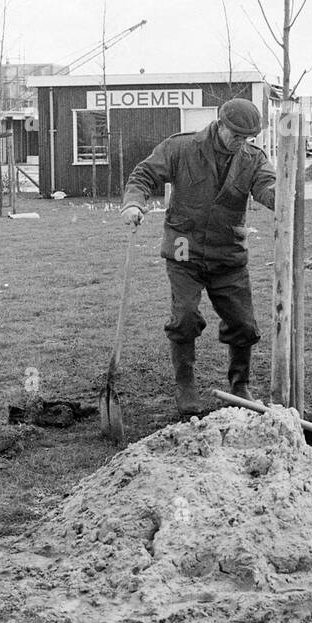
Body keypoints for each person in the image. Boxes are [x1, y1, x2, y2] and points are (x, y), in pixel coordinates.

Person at [120, 98, 275, 416]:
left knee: (244, 324)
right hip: (183, 251)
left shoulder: (253, 159)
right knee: (185, 317)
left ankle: (240, 385)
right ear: (220, 125)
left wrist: (283, 196)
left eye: (246, 138)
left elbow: (267, 187)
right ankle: (186, 386)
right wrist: (134, 203)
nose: (239, 143)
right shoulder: (182, 147)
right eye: (235, 135)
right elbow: (144, 174)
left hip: (228, 254)